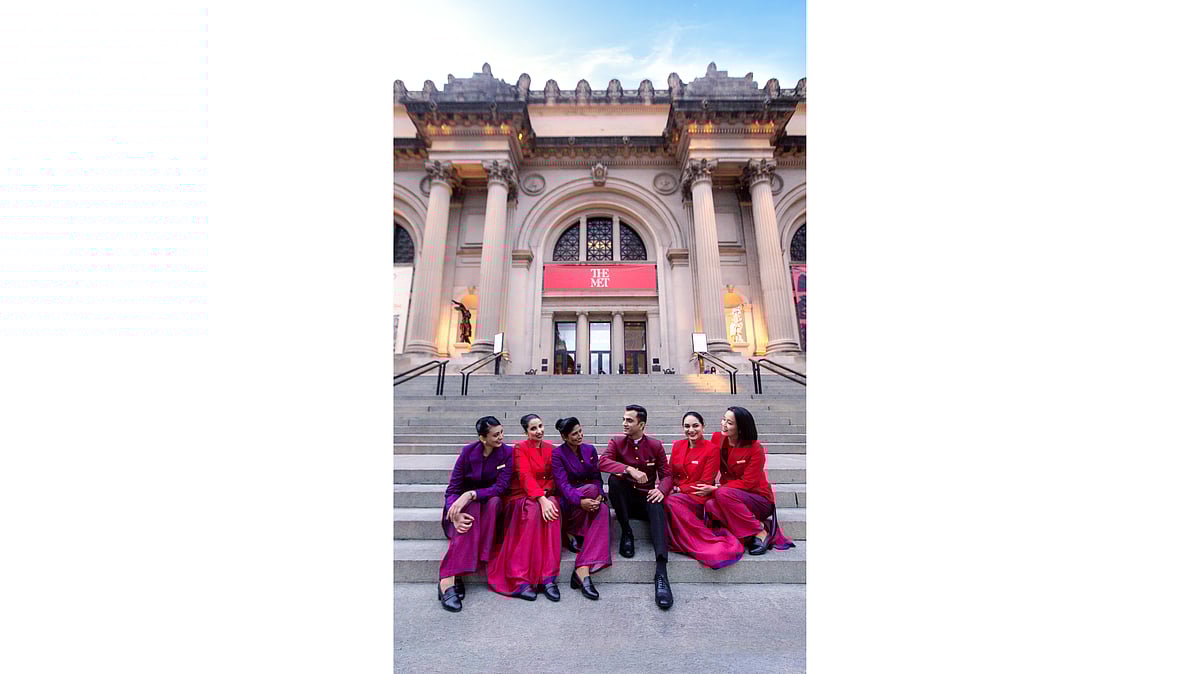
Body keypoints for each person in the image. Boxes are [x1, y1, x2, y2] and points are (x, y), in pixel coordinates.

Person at [597, 404, 673, 609]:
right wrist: (628, 469)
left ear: (642, 424)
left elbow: (667, 474)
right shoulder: (618, 442)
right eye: (623, 419)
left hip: (646, 498)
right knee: (614, 480)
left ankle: (661, 572)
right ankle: (627, 533)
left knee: (657, 502)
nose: (624, 423)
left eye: (629, 420)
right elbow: (603, 462)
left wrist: (662, 490)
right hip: (625, 502)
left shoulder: (655, 445)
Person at [437, 416, 513, 612]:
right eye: (495, 435)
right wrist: (454, 510)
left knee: (490, 502)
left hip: (489, 507)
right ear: (482, 438)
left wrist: (471, 494)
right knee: (468, 513)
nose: (501, 437)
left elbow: (501, 487)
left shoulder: (507, 453)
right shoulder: (468, 452)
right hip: (464, 508)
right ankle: (448, 580)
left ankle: (454, 574)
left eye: (502, 432)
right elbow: (453, 488)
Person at [487, 414, 563, 602]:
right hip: (521, 495)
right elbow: (525, 476)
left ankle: (548, 577)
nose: (539, 431)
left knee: (553, 509)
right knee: (533, 509)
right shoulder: (520, 448)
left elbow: (555, 476)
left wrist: (545, 495)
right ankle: (520, 577)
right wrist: (540, 499)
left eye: (541, 426)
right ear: (526, 432)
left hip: (544, 494)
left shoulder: (550, 449)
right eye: (533, 428)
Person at [701, 406, 796, 555]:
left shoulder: (755, 448)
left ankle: (760, 533)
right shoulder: (717, 438)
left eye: (730, 423)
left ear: (741, 428)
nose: (724, 424)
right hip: (730, 497)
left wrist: (718, 489)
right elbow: (708, 461)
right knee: (710, 505)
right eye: (724, 419)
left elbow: (748, 483)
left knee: (722, 494)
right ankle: (753, 527)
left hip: (758, 499)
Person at [662, 411, 745, 569]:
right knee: (666, 500)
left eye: (695, 426)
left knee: (670, 501)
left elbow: (705, 482)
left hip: (698, 496)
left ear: (703, 427)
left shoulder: (712, 449)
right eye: (687, 426)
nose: (691, 430)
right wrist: (666, 487)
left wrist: (678, 488)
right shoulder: (678, 445)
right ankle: (681, 540)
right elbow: (670, 473)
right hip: (678, 494)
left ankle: (701, 542)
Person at [549, 417, 611, 600]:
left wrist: (600, 494)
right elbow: (562, 486)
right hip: (570, 502)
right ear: (564, 437)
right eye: (574, 434)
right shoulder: (557, 455)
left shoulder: (589, 449)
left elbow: (596, 478)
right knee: (590, 490)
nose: (579, 436)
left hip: (591, 499)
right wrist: (581, 500)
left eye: (580, 431)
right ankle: (571, 531)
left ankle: (582, 570)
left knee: (604, 510)